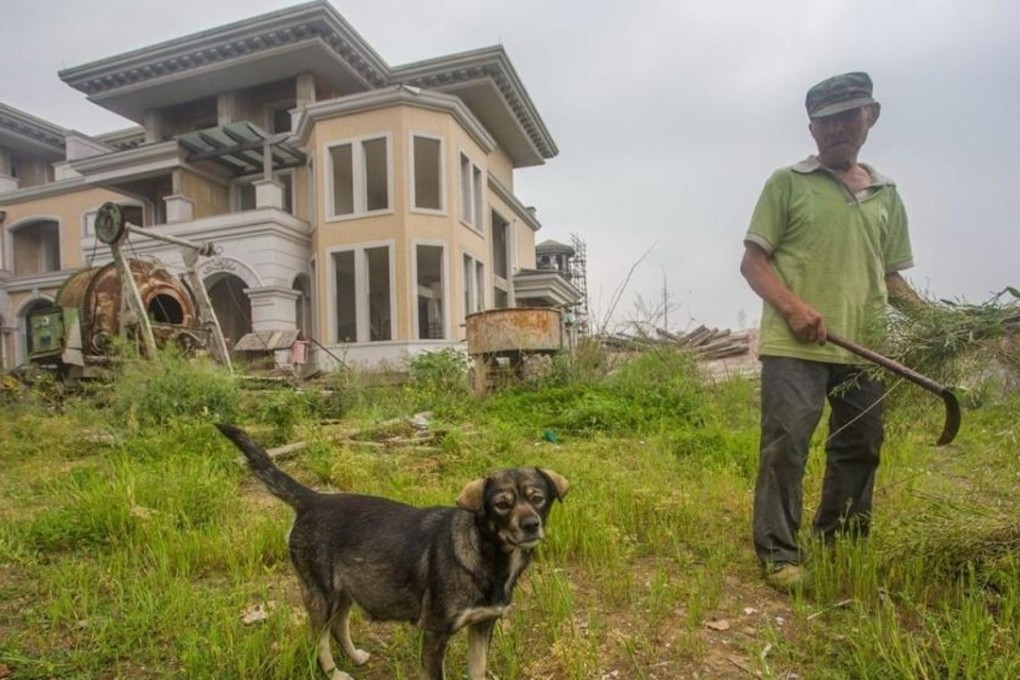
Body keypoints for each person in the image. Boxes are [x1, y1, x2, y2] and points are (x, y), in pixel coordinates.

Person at [740, 71, 922, 590]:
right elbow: (753, 263)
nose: (837, 128)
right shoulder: (787, 183)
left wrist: (939, 325)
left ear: (871, 117)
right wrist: (794, 307)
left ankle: (839, 541)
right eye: (826, 121)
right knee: (786, 447)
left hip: (865, 348)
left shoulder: (887, 195)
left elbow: (890, 277)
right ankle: (779, 554)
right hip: (794, 346)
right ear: (812, 129)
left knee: (860, 446)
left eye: (847, 116)